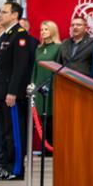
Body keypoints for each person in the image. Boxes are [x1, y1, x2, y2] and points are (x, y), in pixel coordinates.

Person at [0, 2, 36, 180]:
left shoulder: (19, 36)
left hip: (10, 93)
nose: (0, 15)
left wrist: (13, 91)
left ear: (15, 15)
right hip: (0, 91)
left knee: (14, 132)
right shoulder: (6, 36)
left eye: (4, 12)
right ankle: (5, 165)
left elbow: (20, 67)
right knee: (4, 132)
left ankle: (16, 169)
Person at [32, 21, 62, 153]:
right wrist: (32, 84)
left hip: (53, 87)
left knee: (51, 117)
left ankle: (52, 148)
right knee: (41, 117)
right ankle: (45, 147)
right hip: (39, 86)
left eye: (46, 29)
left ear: (53, 31)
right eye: (41, 29)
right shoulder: (38, 49)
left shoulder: (58, 47)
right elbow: (35, 68)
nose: (43, 32)